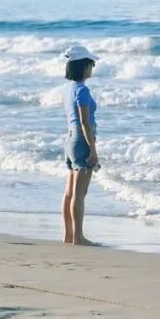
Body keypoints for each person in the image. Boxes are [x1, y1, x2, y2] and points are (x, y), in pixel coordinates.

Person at [61, 44, 101, 246]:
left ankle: (69, 235)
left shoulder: (68, 88)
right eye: (90, 64)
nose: (92, 68)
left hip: (69, 138)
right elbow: (85, 122)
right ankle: (78, 237)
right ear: (83, 67)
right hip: (82, 139)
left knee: (69, 192)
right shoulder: (83, 90)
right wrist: (93, 150)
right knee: (80, 193)